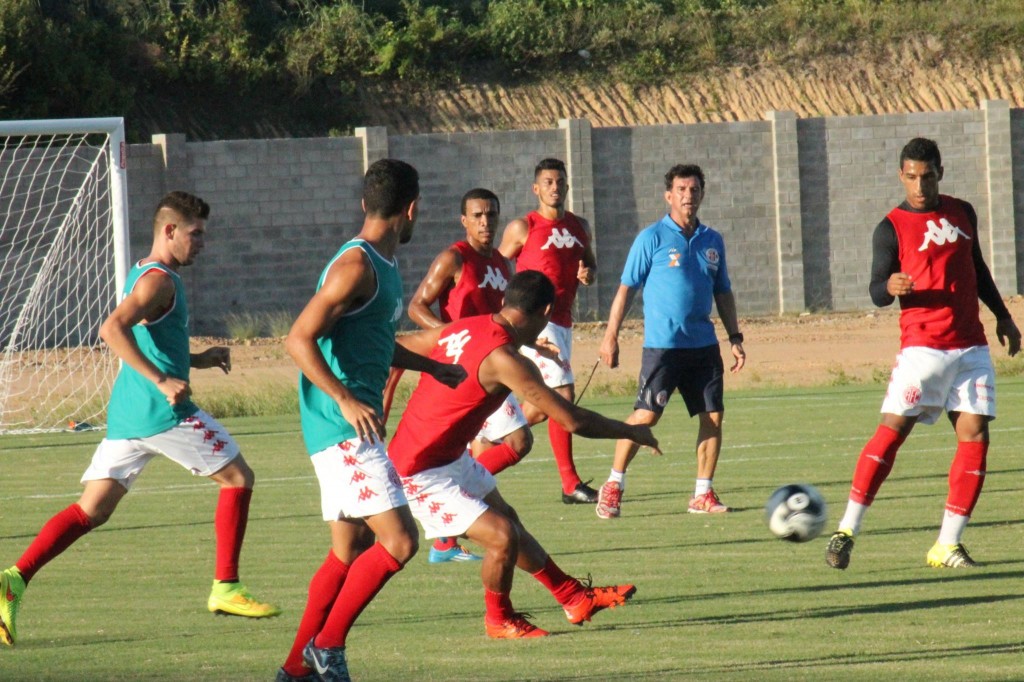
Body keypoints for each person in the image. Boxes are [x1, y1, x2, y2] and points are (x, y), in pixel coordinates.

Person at [0, 191, 280, 648]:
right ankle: (226, 586)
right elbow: (111, 329)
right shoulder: (158, 282)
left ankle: (14, 578)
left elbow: (155, 345)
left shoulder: (145, 273)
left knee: (92, 510)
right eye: (196, 234)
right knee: (238, 478)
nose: (202, 243)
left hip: (129, 415)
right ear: (170, 230)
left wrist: (199, 360)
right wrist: (162, 382)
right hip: (161, 414)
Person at [389, 270, 659, 639]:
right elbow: (572, 420)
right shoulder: (505, 360)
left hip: (449, 458)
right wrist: (630, 430)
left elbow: (399, 345)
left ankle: (573, 597)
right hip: (418, 470)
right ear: (547, 310)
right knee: (501, 536)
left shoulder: (468, 327)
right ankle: (498, 620)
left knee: (509, 522)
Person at [276, 159, 466, 682]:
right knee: (401, 541)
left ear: (366, 203)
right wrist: (343, 399)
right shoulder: (356, 266)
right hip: (343, 431)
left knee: (349, 549)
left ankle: (295, 670)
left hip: (343, 428)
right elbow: (297, 338)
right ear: (412, 208)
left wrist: (433, 367)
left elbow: (375, 345)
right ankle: (327, 648)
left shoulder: (382, 263)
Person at [825, 137, 1021, 571]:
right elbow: (877, 290)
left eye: (927, 177)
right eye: (911, 177)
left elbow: (978, 268)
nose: (919, 186)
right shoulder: (890, 227)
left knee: (975, 436)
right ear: (901, 175)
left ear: (940, 174)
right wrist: (889, 287)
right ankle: (846, 529)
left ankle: (947, 545)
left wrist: (1004, 317)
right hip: (923, 349)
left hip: (970, 346)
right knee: (893, 431)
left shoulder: (962, 211)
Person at [597, 164, 745, 519]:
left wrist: (734, 336)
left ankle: (702, 494)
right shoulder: (651, 238)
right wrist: (610, 335)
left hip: (704, 346)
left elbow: (723, 292)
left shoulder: (713, 240)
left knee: (713, 416)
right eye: (681, 189)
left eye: (694, 190)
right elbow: (626, 289)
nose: (688, 196)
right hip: (663, 347)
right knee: (646, 415)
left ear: (702, 194)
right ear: (669, 196)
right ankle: (614, 483)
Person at [406, 188, 533, 564]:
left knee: (465, 451)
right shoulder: (453, 258)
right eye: (477, 215)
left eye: (491, 215)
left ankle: (446, 540)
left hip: (491, 366)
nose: (485, 222)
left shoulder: (500, 263)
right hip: (463, 370)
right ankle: (458, 525)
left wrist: (535, 346)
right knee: (519, 440)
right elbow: (417, 307)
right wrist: (449, 341)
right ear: (464, 220)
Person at [498, 158, 600, 504]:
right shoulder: (523, 227)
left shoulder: (579, 226)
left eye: (560, 181)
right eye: (548, 182)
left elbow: (590, 265)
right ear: (536, 188)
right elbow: (498, 267)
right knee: (562, 396)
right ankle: (570, 484)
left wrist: (587, 275)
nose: (555, 187)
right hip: (536, 322)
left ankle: (495, 438)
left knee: (543, 406)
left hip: (564, 321)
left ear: (567, 187)